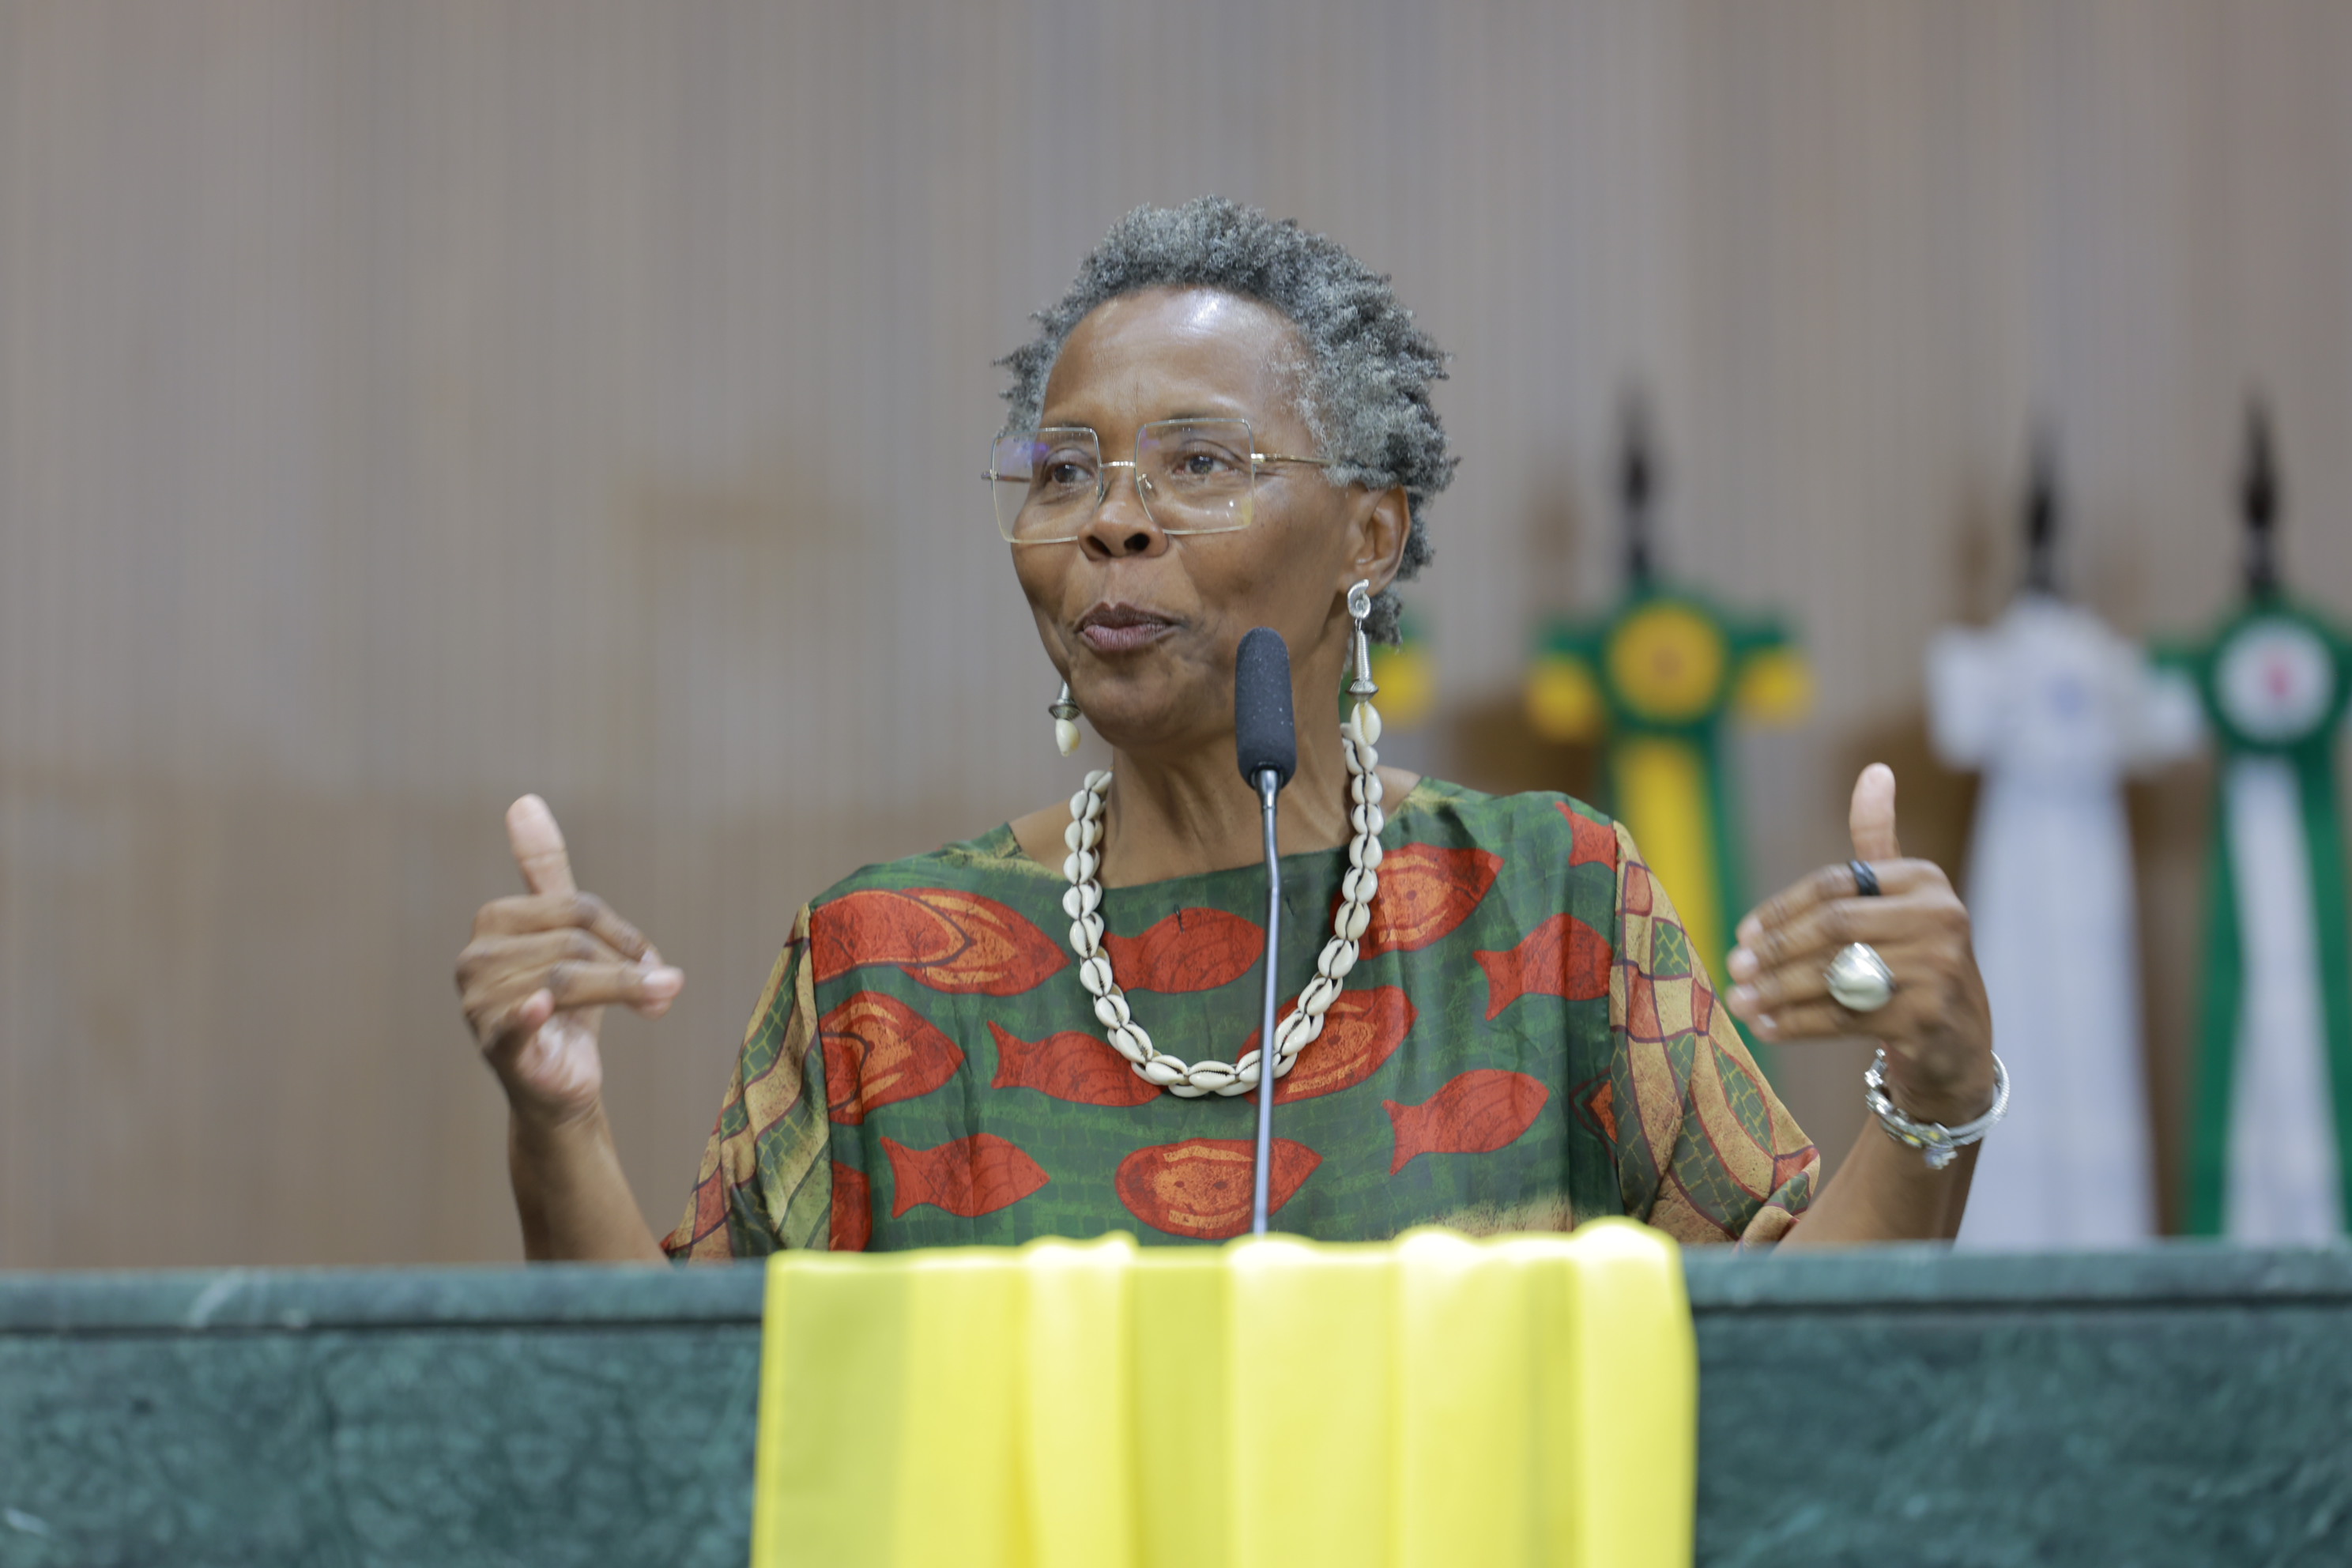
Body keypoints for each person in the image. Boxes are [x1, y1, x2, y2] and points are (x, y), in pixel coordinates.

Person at [453, 199, 2000, 1261]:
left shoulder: (1550, 907)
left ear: (1371, 535)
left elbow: (1795, 1362)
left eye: (1198, 463)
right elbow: (683, 1417)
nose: (1111, 520)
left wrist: (1936, 1090)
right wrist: (555, 1124)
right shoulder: (886, 962)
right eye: (1064, 471)